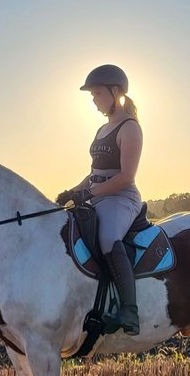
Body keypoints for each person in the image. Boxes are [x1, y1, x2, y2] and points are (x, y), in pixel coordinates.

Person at [55, 64, 144, 335]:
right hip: (99, 196)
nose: (93, 100)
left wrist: (88, 194)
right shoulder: (102, 128)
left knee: (107, 240)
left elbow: (126, 176)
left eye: (96, 94)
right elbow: (95, 173)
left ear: (114, 92)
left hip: (121, 198)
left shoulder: (130, 128)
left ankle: (129, 311)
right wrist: (73, 191)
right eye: (92, 95)